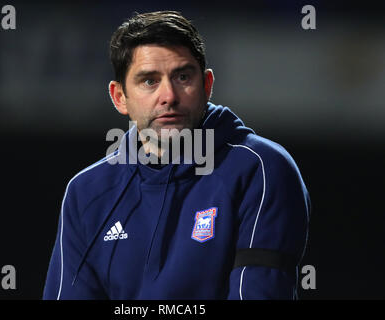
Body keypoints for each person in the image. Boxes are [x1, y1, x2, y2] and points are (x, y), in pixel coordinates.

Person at [42, 11, 310, 300]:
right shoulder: (86, 192)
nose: (169, 95)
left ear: (206, 86)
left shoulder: (261, 169)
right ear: (119, 97)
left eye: (182, 76)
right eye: (149, 81)